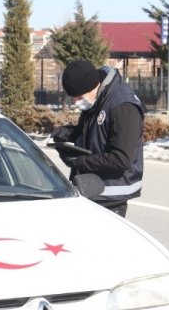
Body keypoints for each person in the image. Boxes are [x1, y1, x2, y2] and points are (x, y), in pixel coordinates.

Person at [51, 59, 145, 218]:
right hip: (91, 190)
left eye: (79, 96)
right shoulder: (97, 99)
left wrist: (78, 161)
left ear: (92, 86)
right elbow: (95, 132)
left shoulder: (123, 106)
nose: (76, 101)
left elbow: (121, 159)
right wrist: (69, 133)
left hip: (111, 195)